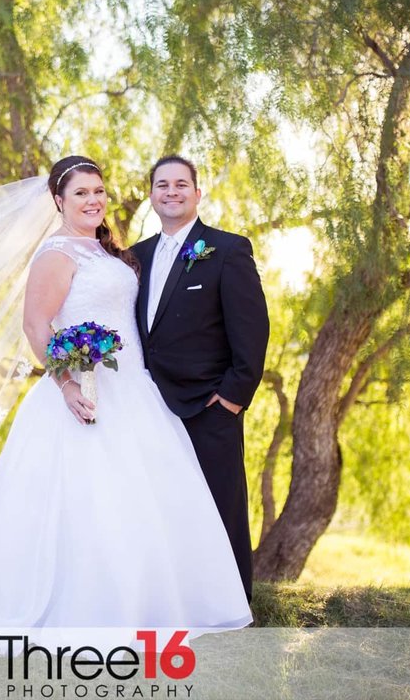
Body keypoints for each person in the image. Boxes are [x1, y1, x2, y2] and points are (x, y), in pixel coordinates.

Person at [0, 155, 251, 653]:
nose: (93, 200)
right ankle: (82, 603)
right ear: (58, 201)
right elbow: (37, 326)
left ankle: (152, 601)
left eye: (98, 191)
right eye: (80, 193)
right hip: (83, 395)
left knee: (142, 503)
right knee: (87, 502)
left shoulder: (111, 253)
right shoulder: (56, 254)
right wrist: (68, 385)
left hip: (137, 393)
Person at [130, 155, 269, 602]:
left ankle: (231, 605)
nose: (171, 192)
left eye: (181, 184)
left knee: (220, 508)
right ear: (151, 194)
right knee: (163, 510)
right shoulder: (138, 256)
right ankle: (176, 602)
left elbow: (252, 330)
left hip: (209, 406)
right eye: (162, 185)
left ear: (197, 192)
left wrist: (231, 398)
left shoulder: (227, 250)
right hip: (149, 407)